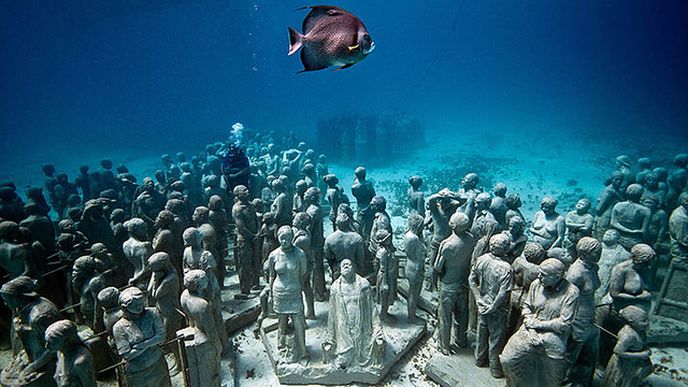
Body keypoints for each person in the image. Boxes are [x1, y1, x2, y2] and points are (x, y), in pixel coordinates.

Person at [500, 259, 580, 387]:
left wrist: (537, 325)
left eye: (544, 275)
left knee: (552, 379)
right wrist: (531, 329)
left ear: (557, 276)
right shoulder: (536, 284)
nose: (539, 276)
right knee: (507, 360)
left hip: (554, 335)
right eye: (540, 273)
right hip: (528, 330)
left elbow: (564, 323)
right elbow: (526, 306)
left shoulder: (571, 292)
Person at [325, 259, 383, 369]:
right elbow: (332, 315)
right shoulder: (335, 288)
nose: (346, 265)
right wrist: (330, 338)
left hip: (361, 328)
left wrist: (378, 331)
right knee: (342, 362)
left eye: (349, 264)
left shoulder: (364, 285)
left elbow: (372, 310)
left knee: (366, 354)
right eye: (343, 265)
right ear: (340, 269)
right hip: (343, 331)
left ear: (354, 268)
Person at [469, 234, 513, 378]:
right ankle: (494, 368)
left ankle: (479, 359)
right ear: (505, 248)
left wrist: (478, 298)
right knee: (496, 339)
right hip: (497, 309)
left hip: (482, 304)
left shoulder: (481, 259)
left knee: (482, 334)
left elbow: (471, 279)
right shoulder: (506, 268)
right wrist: (493, 307)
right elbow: (503, 293)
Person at [433, 212, 476, 353]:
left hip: (448, 284)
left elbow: (438, 267)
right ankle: (461, 340)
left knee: (445, 315)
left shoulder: (447, 245)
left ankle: (444, 345)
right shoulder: (471, 239)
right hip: (463, 282)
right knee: (462, 314)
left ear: (451, 225)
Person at [112, 287, 172, 387]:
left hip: (157, 362)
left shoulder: (152, 313)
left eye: (141, 303)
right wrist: (152, 341)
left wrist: (142, 345)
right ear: (124, 308)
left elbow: (162, 336)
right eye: (135, 306)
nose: (139, 308)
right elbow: (127, 354)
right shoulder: (119, 328)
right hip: (138, 370)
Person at [266, 226, 308, 363]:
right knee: (282, 322)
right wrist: (271, 294)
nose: (284, 241)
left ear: (292, 238)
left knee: (298, 322)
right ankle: (282, 348)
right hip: (279, 291)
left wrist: (297, 286)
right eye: (281, 238)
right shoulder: (273, 255)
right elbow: (271, 276)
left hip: (294, 291)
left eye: (287, 238)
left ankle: (303, 351)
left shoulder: (299, 254)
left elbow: (303, 273)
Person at [45, 320, 97, 387]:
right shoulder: (60, 353)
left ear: (66, 341)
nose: (46, 346)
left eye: (52, 343)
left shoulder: (80, 363)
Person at [403, 214, 426, 322]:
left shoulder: (408, 234)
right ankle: (411, 317)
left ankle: (411, 315)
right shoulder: (414, 238)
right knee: (414, 294)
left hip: (409, 265)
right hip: (415, 268)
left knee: (412, 293)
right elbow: (419, 256)